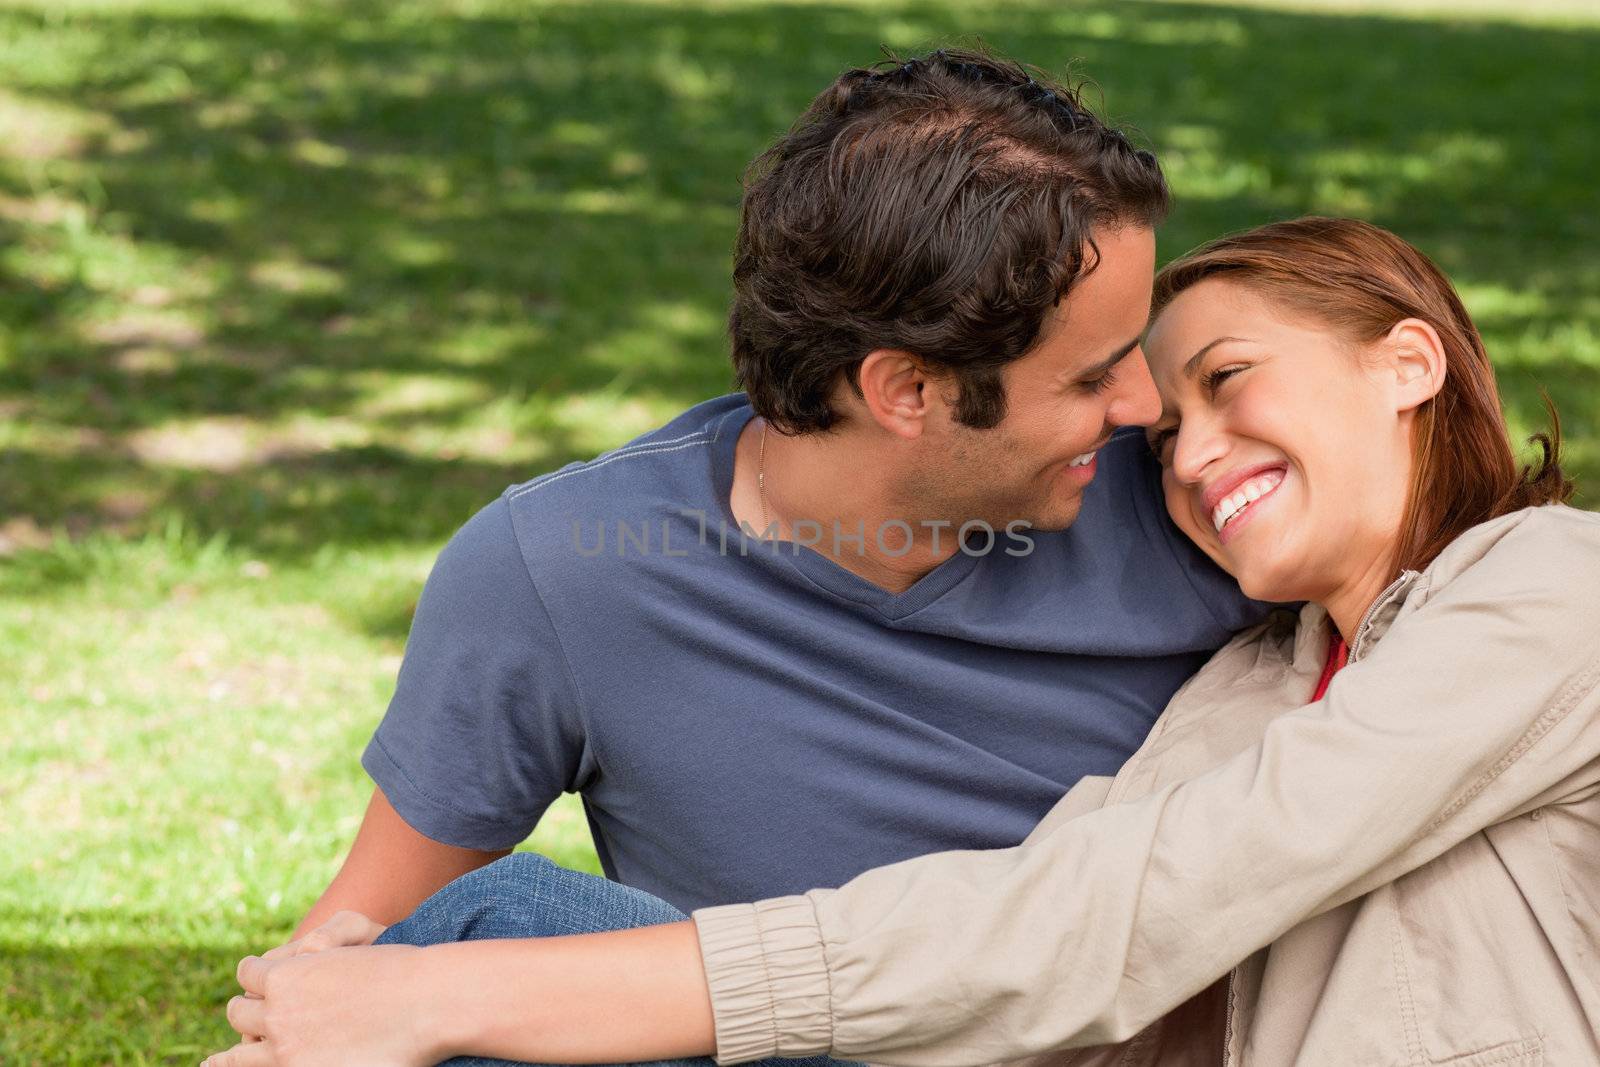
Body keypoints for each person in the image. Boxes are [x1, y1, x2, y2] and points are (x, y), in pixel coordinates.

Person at [206, 217, 1598, 1067]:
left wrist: (445, 987)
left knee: (477, 949)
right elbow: (1067, 921)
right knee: (496, 916)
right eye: (1167, 429)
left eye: (1227, 381)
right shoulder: (1254, 674)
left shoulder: (1552, 592)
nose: (1188, 454)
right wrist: (386, 977)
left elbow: (1097, 917)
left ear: (1407, 362)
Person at [285, 48, 1269, 941]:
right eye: (1091, 376)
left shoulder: (1209, 502)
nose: (1146, 404)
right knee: (498, 929)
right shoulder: (564, 569)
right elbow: (359, 944)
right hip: (779, 1035)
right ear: (907, 389)